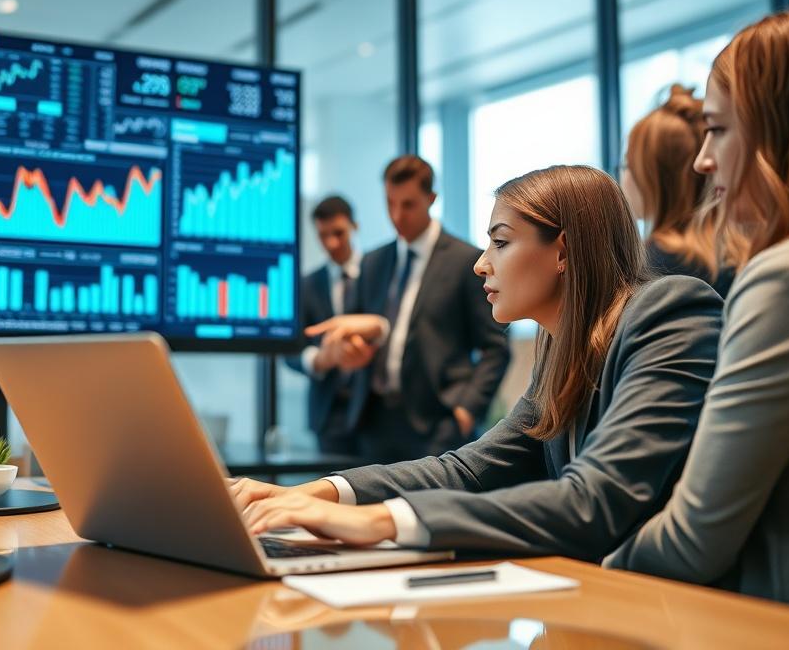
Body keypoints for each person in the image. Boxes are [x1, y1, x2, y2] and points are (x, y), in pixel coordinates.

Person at [228, 165, 722, 560]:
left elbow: (593, 500)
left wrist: (381, 521)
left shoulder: (669, 314)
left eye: (501, 242)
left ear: (564, 252)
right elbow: (468, 470)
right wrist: (321, 493)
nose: (481, 263)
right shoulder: (560, 346)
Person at [605, 10, 789, 604]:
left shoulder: (776, 278)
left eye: (720, 130)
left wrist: (587, 570)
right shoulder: (741, 263)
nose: (703, 160)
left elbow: (695, 534)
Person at [338, 156, 510, 463]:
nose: (396, 215)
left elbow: (495, 348)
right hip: (372, 422)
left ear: (431, 199)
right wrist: (351, 347)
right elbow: (352, 325)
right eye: (390, 203)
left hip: (436, 424)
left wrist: (467, 410)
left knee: (421, 510)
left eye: (408, 205)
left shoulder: (465, 261)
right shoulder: (372, 262)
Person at [620, 84, 734, 297]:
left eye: (627, 165)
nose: (622, 178)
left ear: (653, 178)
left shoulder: (654, 265)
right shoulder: (734, 249)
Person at [284, 195, 361, 455]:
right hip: (328, 415)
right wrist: (319, 360)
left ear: (354, 226)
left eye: (338, 233)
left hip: (375, 414)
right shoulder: (306, 285)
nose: (331, 243)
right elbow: (290, 351)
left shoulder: (378, 274)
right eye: (323, 235)